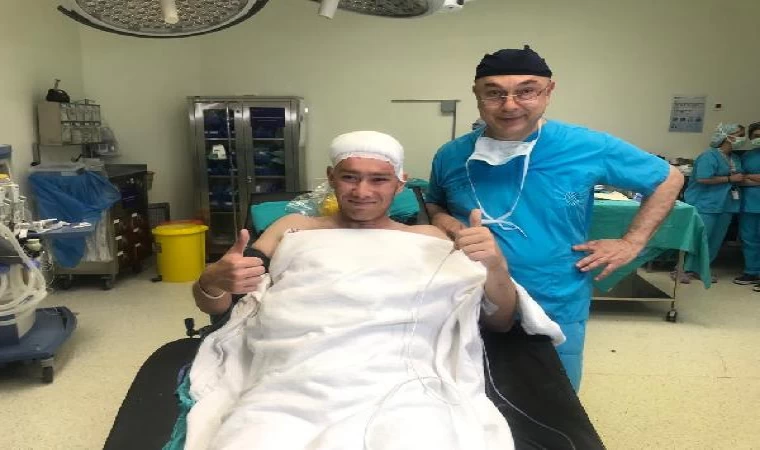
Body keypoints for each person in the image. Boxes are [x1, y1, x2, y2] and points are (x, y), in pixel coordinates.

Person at [187, 130, 536, 449]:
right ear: (331, 178)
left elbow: (500, 320)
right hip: (292, 377)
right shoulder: (294, 228)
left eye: (378, 179)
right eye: (350, 177)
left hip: (405, 384)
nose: (362, 192)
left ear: (400, 184)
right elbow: (221, 306)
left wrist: (495, 266)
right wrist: (212, 280)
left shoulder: (428, 238)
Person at [425, 45, 684, 391]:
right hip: (469, 299)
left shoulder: (586, 146)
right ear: (477, 95)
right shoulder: (451, 155)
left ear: (549, 92)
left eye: (526, 91)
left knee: (552, 396)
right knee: (470, 392)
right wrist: (446, 223)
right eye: (494, 93)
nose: (510, 105)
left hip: (554, 298)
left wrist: (631, 242)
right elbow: (434, 203)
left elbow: (668, 178)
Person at [680, 123, 745, 284]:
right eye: (740, 135)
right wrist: (729, 179)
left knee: (716, 239)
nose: (743, 139)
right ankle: (683, 269)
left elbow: (740, 177)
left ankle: (702, 269)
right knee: (699, 238)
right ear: (726, 136)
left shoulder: (735, 158)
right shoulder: (708, 156)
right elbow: (703, 178)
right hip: (706, 203)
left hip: (726, 204)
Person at [735, 122, 760, 286]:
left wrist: (749, 177)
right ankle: (751, 271)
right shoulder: (747, 156)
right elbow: (739, 179)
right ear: (750, 138)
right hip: (748, 204)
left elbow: (745, 178)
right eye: (756, 136)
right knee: (749, 238)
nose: (759, 138)